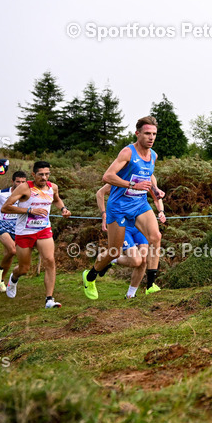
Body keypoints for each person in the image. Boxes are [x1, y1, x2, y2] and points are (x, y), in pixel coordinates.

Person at [83, 117, 166, 300]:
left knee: (156, 237)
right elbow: (107, 176)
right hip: (119, 207)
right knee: (115, 250)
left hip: (140, 205)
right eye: (147, 134)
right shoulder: (128, 152)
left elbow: (149, 177)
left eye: (153, 134)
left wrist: (155, 190)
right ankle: (90, 276)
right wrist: (131, 185)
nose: (151, 137)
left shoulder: (153, 155)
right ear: (138, 134)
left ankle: (150, 285)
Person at [1, 161, 70, 309]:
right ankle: (13, 278)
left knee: (50, 260)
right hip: (24, 232)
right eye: (41, 174)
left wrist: (63, 209)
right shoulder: (25, 188)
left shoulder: (53, 187)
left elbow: (56, 200)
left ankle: (49, 299)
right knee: (24, 268)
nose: (44, 178)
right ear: (33, 175)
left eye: (47, 174)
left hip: (43, 230)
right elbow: (5, 208)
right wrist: (29, 211)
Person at [95, 183, 163, 298]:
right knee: (136, 261)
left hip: (140, 226)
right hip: (124, 226)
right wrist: (104, 214)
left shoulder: (145, 176)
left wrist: (161, 211)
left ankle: (130, 295)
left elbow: (156, 196)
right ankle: (112, 259)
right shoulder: (122, 178)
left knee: (144, 261)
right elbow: (99, 193)